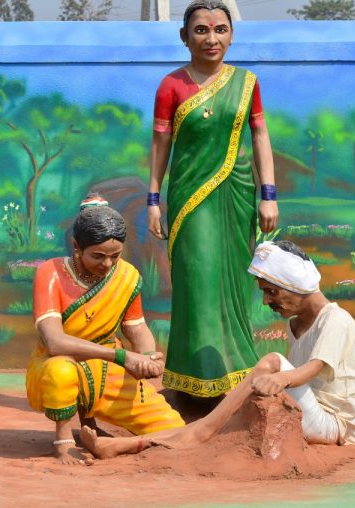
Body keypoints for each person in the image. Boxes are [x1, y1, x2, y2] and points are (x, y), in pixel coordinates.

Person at [81, 240, 355, 458]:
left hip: (337, 428)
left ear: (296, 286)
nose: (267, 302)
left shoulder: (336, 320)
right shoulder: (295, 324)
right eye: (265, 293)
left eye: (273, 291)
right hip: (312, 415)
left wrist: (280, 377)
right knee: (227, 419)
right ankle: (126, 445)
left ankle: (201, 430)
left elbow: (312, 369)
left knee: (270, 362)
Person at [146, 0, 279, 398]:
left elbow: (259, 138)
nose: (211, 38)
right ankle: (195, 381)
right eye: (201, 30)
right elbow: (159, 144)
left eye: (220, 29)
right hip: (191, 197)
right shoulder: (171, 85)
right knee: (197, 280)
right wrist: (153, 198)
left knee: (234, 284)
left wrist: (267, 195)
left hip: (238, 196)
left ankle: (234, 374)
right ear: (184, 37)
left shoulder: (247, 83)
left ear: (232, 35)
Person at [26, 194, 185, 465]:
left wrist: (147, 355)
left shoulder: (127, 276)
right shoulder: (50, 273)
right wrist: (124, 358)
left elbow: (136, 327)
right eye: (97, 256)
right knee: (60, 369)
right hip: (57, 366)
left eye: (115, 256)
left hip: (106, 374)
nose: (107, 264)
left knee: (174, 431)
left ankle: (112, 445)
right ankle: (64, 440)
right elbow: (54, 342)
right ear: (76, 246)